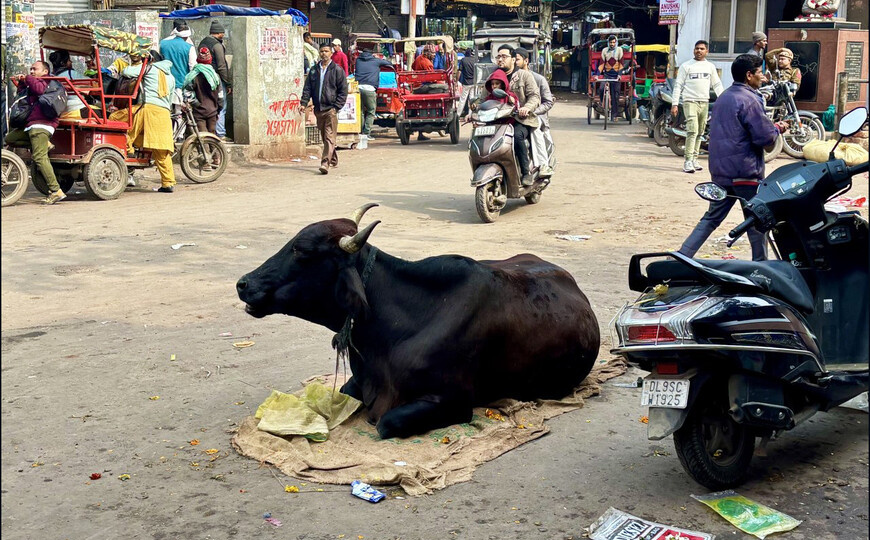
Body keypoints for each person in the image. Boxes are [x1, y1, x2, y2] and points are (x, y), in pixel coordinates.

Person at [678, 54, 781, 262]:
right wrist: (778, 128)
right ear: (749, 75)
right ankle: (761, 266)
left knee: (711, 219)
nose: (762, 77)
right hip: (745, 172)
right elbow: (765, 137)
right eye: (759, 73)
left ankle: (682, 256)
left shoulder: (724, 97)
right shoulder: (750, 99)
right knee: (755, 221)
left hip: (721, 171)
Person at [472, 44, 539, 186]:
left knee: (517, 137)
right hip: (496, 120)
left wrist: (526, 108)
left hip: (520, 119)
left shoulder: (524, 76)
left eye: (504, 56)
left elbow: (534, 96)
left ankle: (526, 173)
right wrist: (474, 109)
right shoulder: (493, 77)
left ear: (513, 59)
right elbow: (483, 98)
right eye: (498, 56)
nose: (500, 59)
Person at [110, 51, 177, 192]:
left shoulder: (149, 68)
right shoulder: (171, 77)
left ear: (150, 60)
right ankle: (168, 183)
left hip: (148, 109)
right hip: (164, 113)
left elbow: (127, 71)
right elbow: (170, 99)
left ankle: (129, 150)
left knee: (121, 125)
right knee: (161, 151)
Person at [5, 61, 64, 204]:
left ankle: (56, 190)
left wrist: (27, 78)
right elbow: (24, 97)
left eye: (35, 69)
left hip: (42, 125)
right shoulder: (35, 82)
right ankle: (45, 144)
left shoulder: (47, 82)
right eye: (30, 69)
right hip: (32, 126)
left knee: (39, 157)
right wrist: (21, 84)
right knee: (10, 138)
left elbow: (39, 90)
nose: (31, 71)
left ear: (45, 71)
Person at [671, 40, 724, 174]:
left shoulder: (710, 67)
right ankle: (688, 160)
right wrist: (675, 103)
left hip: (704, 102)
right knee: (692, 130)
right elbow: (678, 85)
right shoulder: (686, 66)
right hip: (690, 101)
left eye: (701, 49)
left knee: (700, 131)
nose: (699, 51)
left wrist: (724, 99)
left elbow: (716, 84)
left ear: (707, 51)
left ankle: (695, 158)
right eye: (696, 49)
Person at [300, 43, 348, 175]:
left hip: (330, 109)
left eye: (326, 51)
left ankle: (325, 163)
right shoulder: (314, 70)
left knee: (329, 136)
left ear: (331, 53)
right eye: (322, 51)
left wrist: (336, 107)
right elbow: (307, 88)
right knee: (325, 136)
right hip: (318, 109)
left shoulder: (337, 70)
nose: (324, 54)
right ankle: (333, 158)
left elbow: (343, 91)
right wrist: (303, 103)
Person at [514, 47, 554, 178]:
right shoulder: (512, 78)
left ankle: (543, 165)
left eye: (518, 60)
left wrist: (531, 111)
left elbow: (548, 102)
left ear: (526, 61)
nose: (515, 62)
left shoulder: (539, 79)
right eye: (514, 59)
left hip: (536, 117)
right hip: (516, 116)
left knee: (535, 131)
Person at [199, 20, 232, 139]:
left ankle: (208, 133)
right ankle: (220, 134)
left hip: (202, 78)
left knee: (207, 105)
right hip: (216, 79)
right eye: (223, 33)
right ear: (220, 33)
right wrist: (227, 83)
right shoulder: (217, 45)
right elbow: (222, 66)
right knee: (221, 106)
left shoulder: (203, 42)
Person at [353, 47, 393, 141]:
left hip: (358, 88)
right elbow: (389, 63)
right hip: (370, 89)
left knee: (361, 111)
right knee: (371, 111)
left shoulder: (358, 60)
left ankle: (360, 132)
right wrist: (377, 58)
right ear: (372, 54)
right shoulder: (376, 61)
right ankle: (366, 133)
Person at [183, 47, 224, 134]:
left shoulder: (193, 76)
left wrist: (197, 104)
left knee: (202, 136)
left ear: (198, 60)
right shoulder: (215, 77)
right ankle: (214, 148)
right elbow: (220, 96)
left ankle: (205, 148)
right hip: (213, 111)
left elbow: (187, 94)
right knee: (212, 137)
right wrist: (218, 109)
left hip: (198, 112)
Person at [159, 22, 196, 117]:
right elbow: (193, 67)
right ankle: (179, 131)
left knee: (165, 111)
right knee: (179, 113)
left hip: (163, 83)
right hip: (180, 84)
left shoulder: (162, 43)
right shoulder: (189, 47)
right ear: (187, 36)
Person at [48, 49, 86, 120]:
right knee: (107, 113)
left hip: (58, 110)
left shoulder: (50, 76)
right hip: (76, 108)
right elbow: (94, 83)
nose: (71, 62)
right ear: (63, 63)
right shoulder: (71, 73)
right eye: (69, 60)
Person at [597, 35, 626, 122]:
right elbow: (602, 63)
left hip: (616, 76)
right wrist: (598, 74)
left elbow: (621, 63)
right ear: (608, 43)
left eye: (613, 42)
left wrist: (620, 75)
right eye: (610, 42)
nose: (612, 44)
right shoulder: (604, 50)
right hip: (606, 75)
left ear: (616, 42)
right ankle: (602, 105)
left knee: (615, 96)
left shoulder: (620, 50)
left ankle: (614, 115)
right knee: (601, 89)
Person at [456, 47, 477, 116]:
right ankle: (470, 115)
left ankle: (458, 115)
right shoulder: (475, 60)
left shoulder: (463, 60)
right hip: (474, 83)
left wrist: (457, 80)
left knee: (462, 99)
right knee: (472, 99)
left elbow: (459, 71)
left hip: (466, 83)